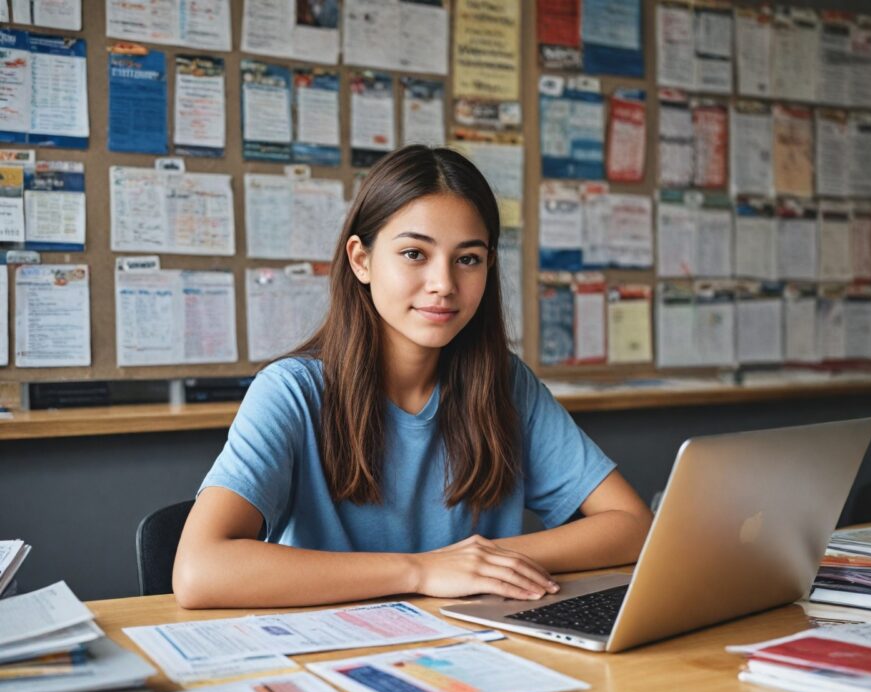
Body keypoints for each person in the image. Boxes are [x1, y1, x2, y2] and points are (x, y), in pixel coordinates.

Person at [173, 145, 653, 610]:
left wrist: (480, 565)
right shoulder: (292, 392)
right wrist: (422, 571)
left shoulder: (506, 384)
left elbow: (633, 525)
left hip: (480, 651)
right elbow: (199, 571)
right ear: (361, 260)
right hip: (332, 658)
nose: (444, 283)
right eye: (414, 254)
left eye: (468, 259)